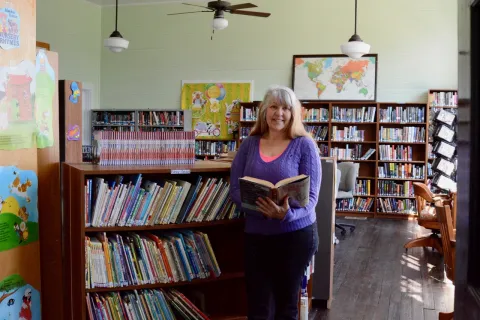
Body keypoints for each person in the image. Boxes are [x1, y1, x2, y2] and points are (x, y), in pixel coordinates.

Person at [230, 85, 321, 319]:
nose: (278, 113)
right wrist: (261, 209)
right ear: (264, 111)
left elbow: (311, 199)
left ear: (293, 114)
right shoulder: (249, 144)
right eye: (273, 106)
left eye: (285, 108)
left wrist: (286, 215)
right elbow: (235, 188)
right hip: (257, 234)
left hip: (295, 233)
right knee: (258, 304)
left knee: (286, 305)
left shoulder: (304, 144)